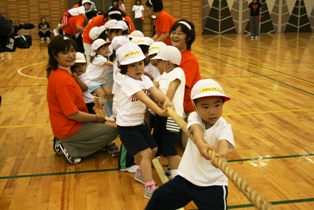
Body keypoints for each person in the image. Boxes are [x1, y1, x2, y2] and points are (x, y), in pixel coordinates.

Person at [146, 78, 235, 210]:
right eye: (205, 106)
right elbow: (196, 129)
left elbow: (223, 144)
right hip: (187, 179)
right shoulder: (194, 117)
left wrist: (221, 156)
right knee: (158, 197)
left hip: (212, 184)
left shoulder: (224, 127)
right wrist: (200, 144)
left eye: (217, 105)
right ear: (195, 107)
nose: (212, 111)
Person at [114, 42, 173, 199]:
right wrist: (160, 111)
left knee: (153, 149)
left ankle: (140, 173)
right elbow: (146, 99)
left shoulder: (145, 79)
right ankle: (149, 187)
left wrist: (166, 100)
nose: (138, 68)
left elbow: (156, 93)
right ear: (125, 69)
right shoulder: (127, 82)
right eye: (132, 66)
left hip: (138, 123)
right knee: (146, 154)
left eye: (140, 63)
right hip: (126, 126)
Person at [46, 35, 118, 164]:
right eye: (65, 52)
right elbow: (73, 114)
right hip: (69, 127)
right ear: (54, 54)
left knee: (102, 128)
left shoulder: (61, 72)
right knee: (112, 132)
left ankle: (68, 142)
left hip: (67, 125)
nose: (71, 55)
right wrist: (97, 118)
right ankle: (72, 148)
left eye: (72, 51)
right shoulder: (63, 81)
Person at [151, 45, 186, 178]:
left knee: (169, 147)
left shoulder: (178, 72)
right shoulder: (163, 75)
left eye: (158, 62)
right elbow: (154, 86)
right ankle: (175, 166)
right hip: (162, 115)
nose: (156, 65)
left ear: (168, 63)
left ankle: (176, 175)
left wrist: (167, 101)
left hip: (172, 116)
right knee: (157, 143)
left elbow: (173, 87)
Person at [170, 19, 201, 149]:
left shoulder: (189, 59)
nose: (175, 36)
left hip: (188, 108)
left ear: (188, 38)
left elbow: (180, 89)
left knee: (188, 147)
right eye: (173, 32)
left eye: (180, 33)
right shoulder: (171, 55)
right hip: (176, 106)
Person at [86, 38, 115, 122]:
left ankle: (113, 112)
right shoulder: (98, 58)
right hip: (91, 81)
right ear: (97, 51)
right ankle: (108, 115)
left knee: (109, 93)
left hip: (101, 80)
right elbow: (111, 64)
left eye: (106, 47)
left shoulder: (104, 57)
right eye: (103, 48)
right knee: (102, 94)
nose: (106, 50)